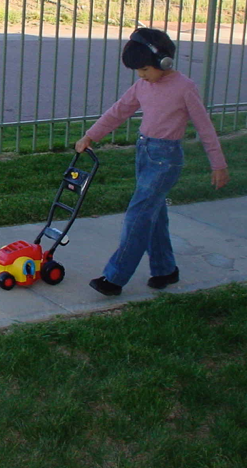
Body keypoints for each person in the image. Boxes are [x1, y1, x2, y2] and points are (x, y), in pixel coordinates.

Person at [75, 27, 230, 296]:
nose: (141, 75)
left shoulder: (185, 88)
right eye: (137, 70)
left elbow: (205, 127)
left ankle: (114, 278)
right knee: (154, 214)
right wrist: (91, 135)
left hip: (165, 160)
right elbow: (119, 111)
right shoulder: (142, 85)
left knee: (138, 215)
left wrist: (218, 164)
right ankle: (165, 269)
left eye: (145, 68)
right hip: (144, 153)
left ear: (164, 61)